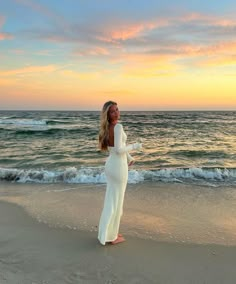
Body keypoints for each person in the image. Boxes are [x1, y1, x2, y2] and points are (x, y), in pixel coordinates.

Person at [98, 101, 142, 245]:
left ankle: (109, 233)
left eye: (117, 109)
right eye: (112, 111)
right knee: (116, 202)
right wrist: (135, 146)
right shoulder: (118, 127)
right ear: (108, 115)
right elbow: (118, 150)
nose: (116, 113)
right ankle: (111, 237)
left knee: (112, 200)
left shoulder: (109, 127)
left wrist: (129, 158)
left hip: (113, 165)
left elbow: (116, 148)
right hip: (117, 167)